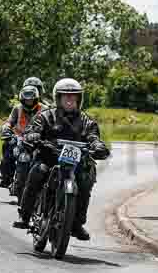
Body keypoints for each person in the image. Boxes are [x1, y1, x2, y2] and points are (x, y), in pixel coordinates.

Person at [13, 78, 110, 241]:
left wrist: (97, 145)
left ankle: (77, 223)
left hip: (76, 162)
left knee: (86, 178)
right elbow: (32, 129)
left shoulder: (86, 120)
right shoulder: (45, 116)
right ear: (58, 98)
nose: (70, 100)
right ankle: (25, 215)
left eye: (74, 96)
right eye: (66, 96)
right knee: (38, 171)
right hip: (49, 157)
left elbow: (93, 136)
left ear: (79, 99)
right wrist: (33, 135)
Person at [0, 85, 44, 188]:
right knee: (8, 147)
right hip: (20, 138)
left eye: (31, 100)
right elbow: (10, 122)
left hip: (38, 138)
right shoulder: (17, 108)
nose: (29, 102)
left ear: (36, 99)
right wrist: (6, 128)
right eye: (26, 100)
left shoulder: (44, 109)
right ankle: (6, 178)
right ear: (22, 99)